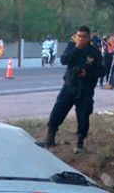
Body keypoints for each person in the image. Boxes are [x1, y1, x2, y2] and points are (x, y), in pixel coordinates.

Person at [37, 26, 105, 154]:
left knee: (83, 115)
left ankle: (80, 143)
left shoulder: (94, 52)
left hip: (85, 88)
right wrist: (76, 48)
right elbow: (64, 60)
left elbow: (101, 70)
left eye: (84, 36)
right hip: (70, 85)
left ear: (89, 37)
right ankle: (50, 138)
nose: (81, 39)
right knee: (58, 110)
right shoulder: (72, 47)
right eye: (79, 36)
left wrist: (88, 73)